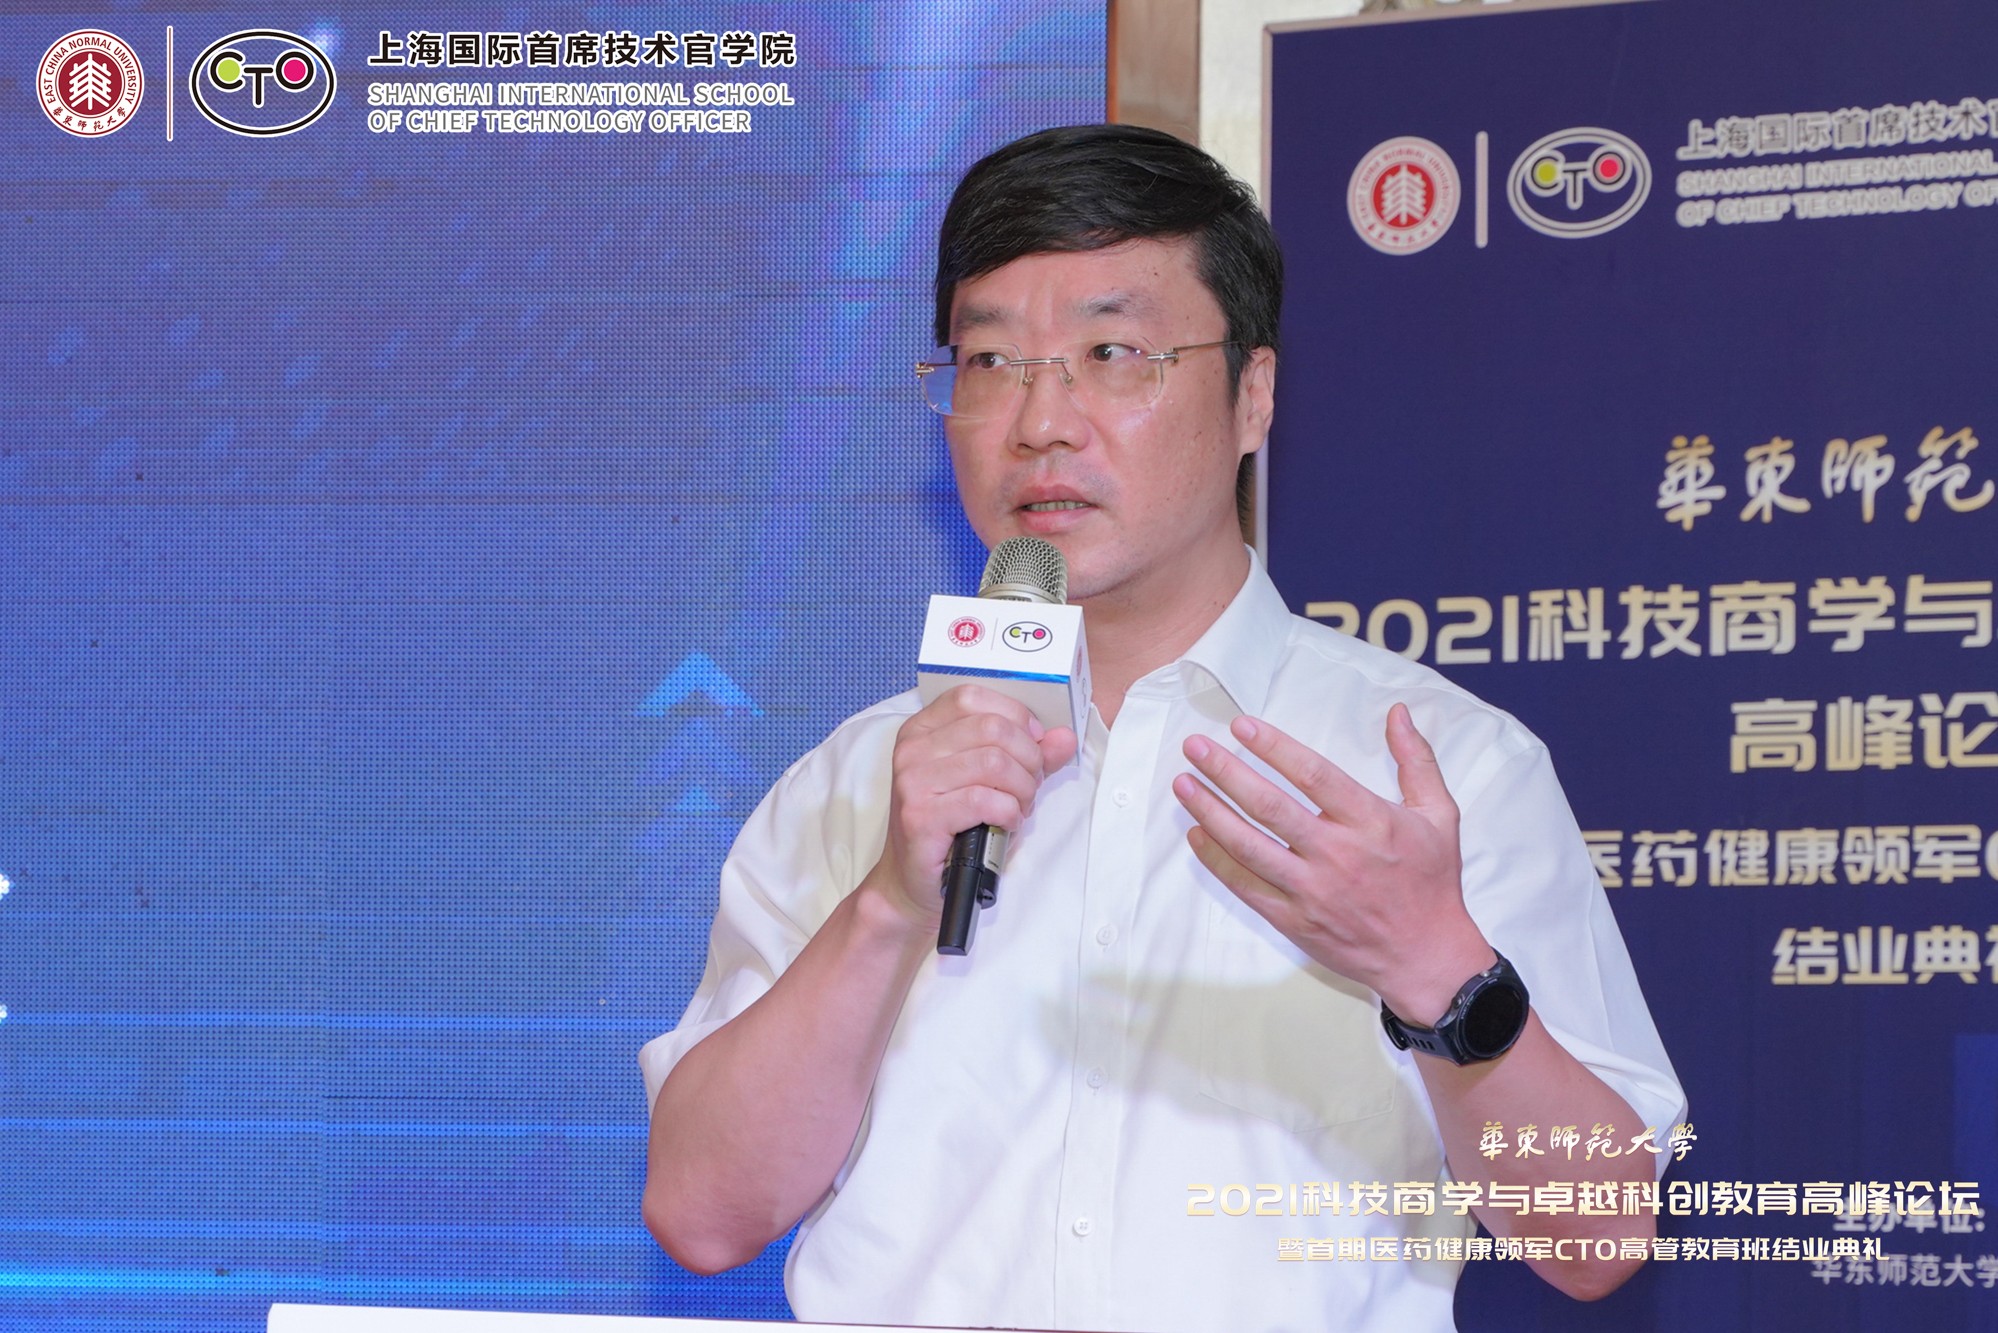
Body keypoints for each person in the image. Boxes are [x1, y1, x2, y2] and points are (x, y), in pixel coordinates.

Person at [640, 124, 1683, 1332]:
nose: (1042, 421)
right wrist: (885, 902)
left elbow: (1599, 1238)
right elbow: (703, 1216)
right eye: (990, 360)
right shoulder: (859, 779)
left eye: (1113, 353)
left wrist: (1433, 966)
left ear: (1253, 394)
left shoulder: (1438, 768)